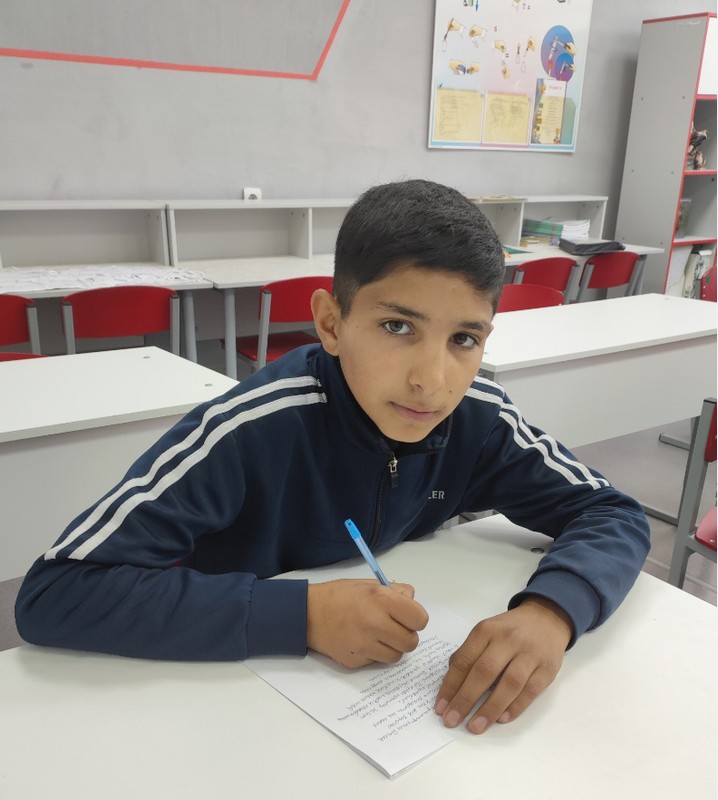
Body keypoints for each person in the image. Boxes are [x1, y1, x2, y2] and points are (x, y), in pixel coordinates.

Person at [15, 179, 650, 736]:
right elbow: (55, 593)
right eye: (397, 327)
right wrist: (305, 616)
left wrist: (552, 611)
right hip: (226, 707)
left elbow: (612, 512)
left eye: (464, 338)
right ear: (330, 323)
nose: (431, 380)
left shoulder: (478, 419)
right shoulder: (250, 429)